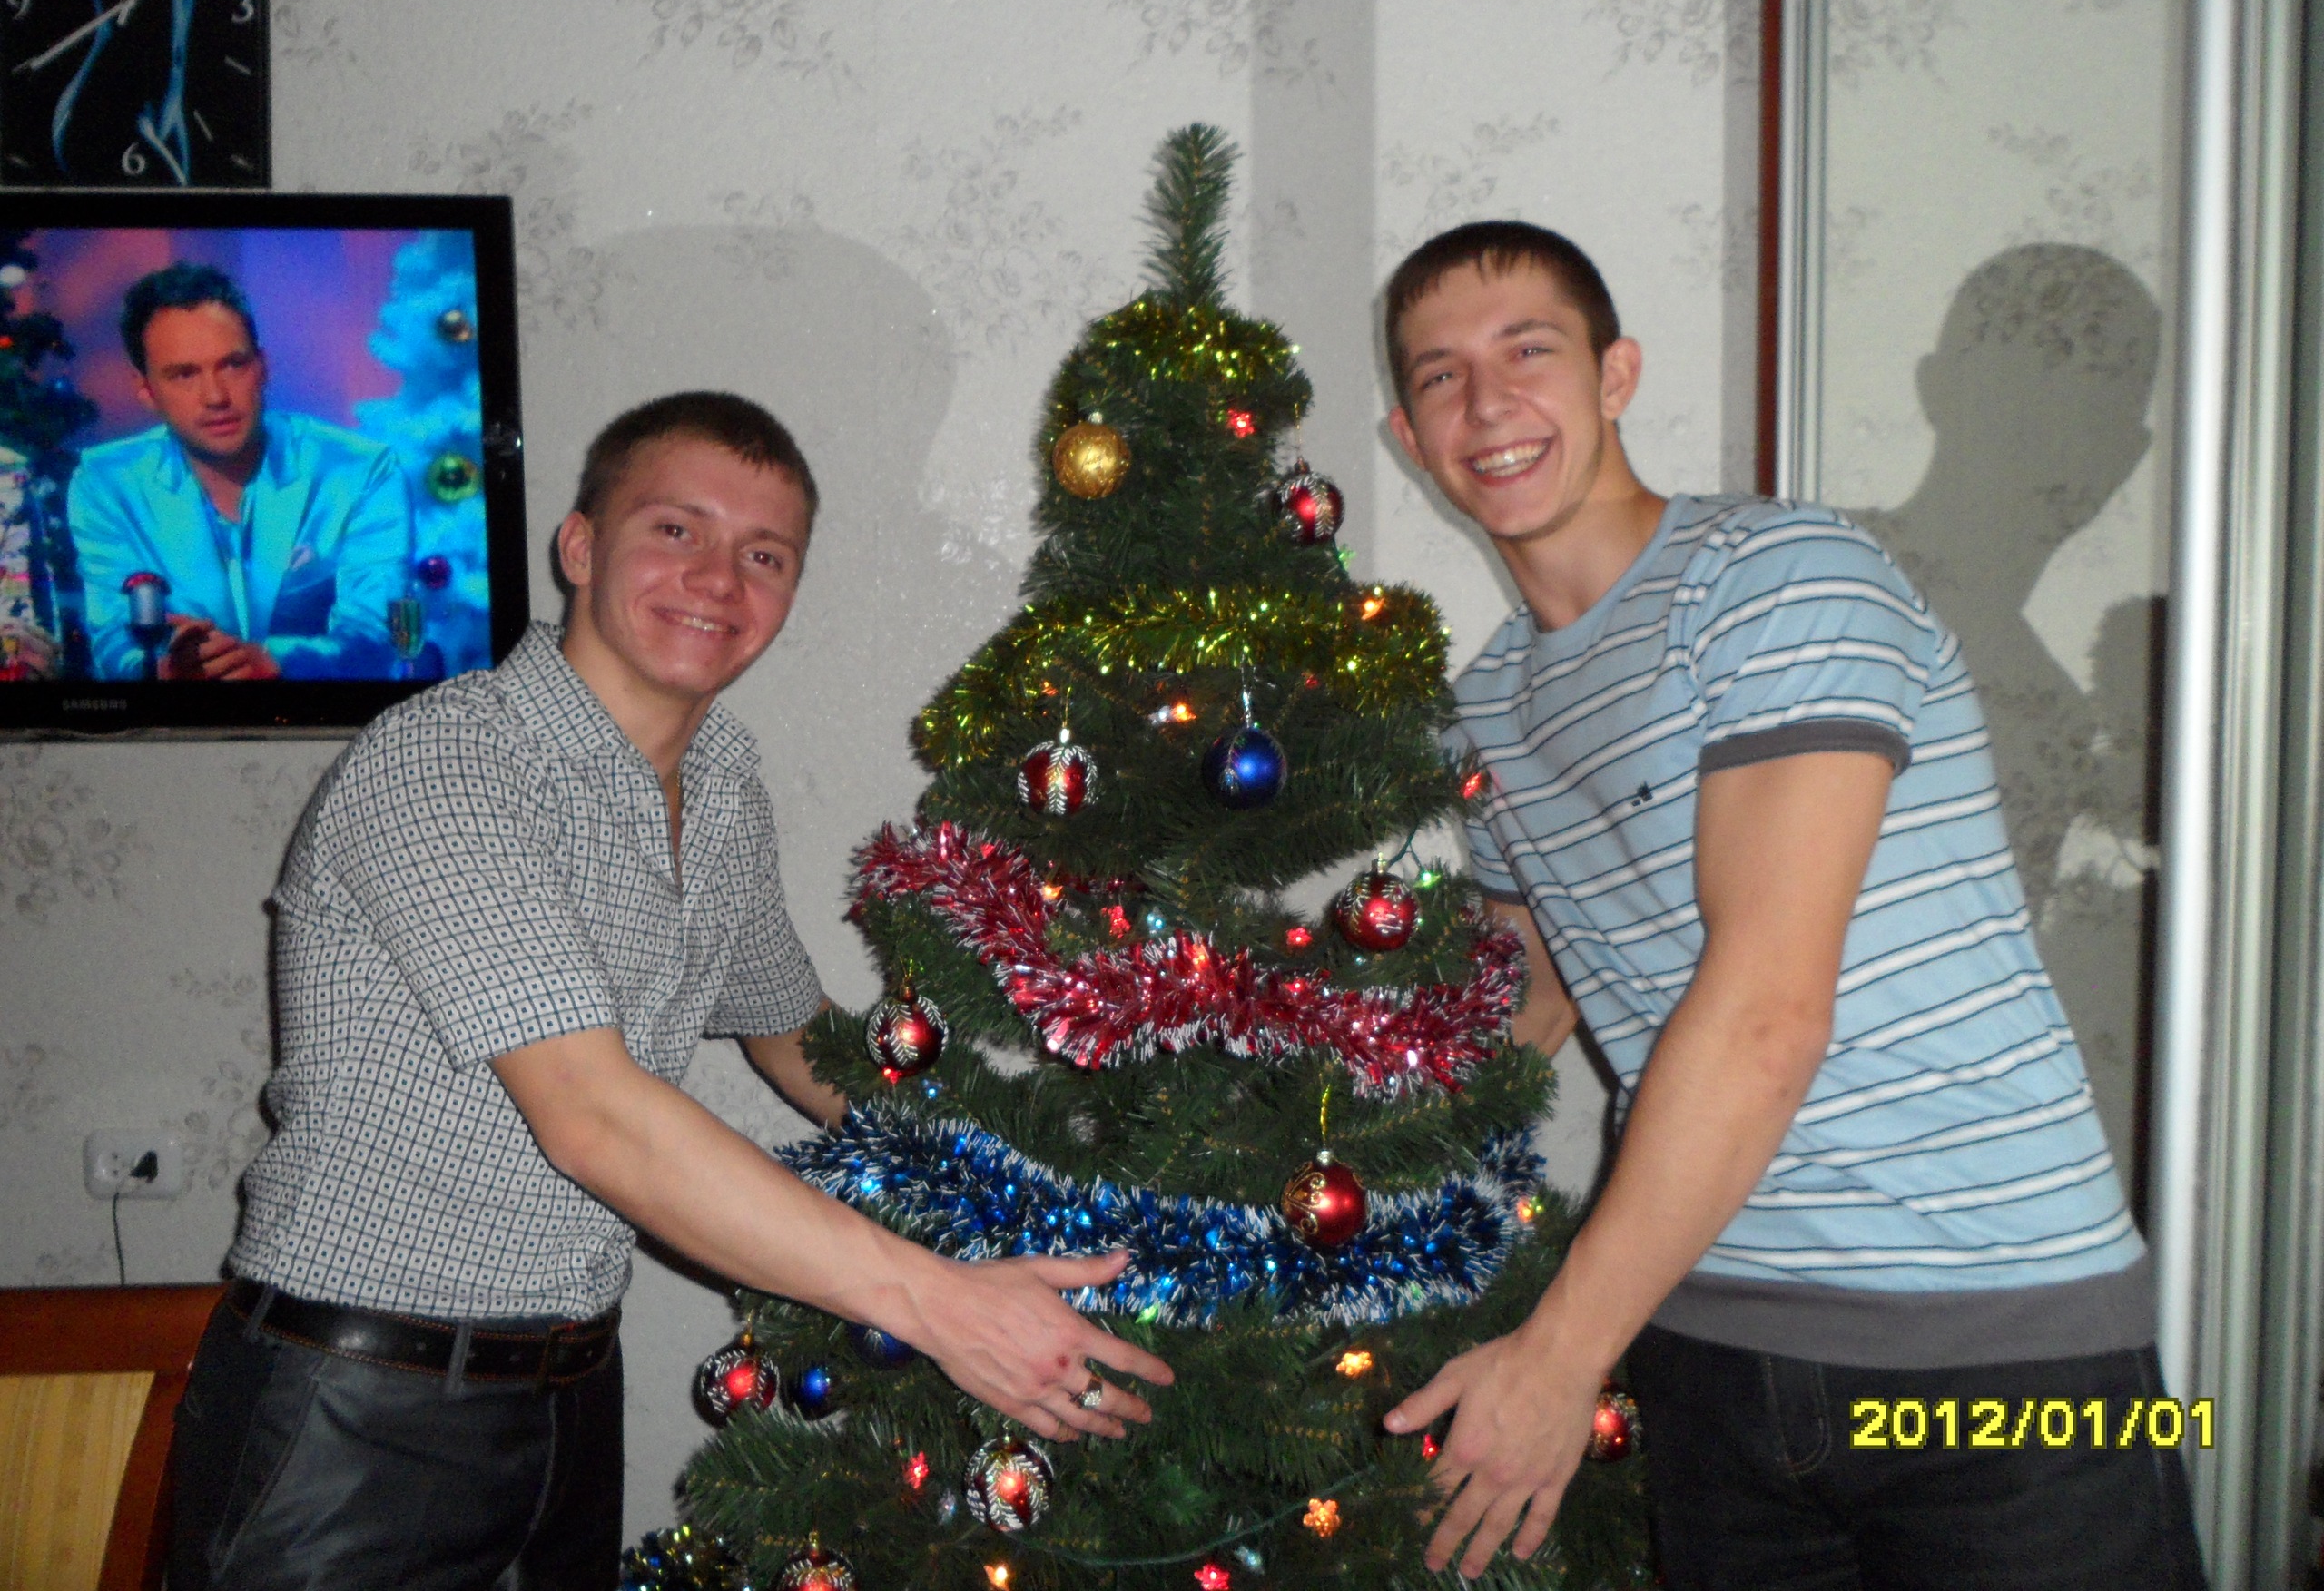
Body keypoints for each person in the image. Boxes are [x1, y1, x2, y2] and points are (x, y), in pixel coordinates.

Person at [167, 392, 1171, 1591]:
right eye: (676, 530)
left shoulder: (721, 784)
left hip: (568, 1398)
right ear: (579, 546)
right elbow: (595, 1117)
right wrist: (942, 1305)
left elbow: (797, 1037)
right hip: (353, 1414)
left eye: (764, 555)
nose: (717, 580)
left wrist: (1013, 1181)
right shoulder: (449, 758)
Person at [1373, 223, 2203, 1586]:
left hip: (1993, 1355)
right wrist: (1331, 1160)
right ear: (1411, 437)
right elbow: (1536, 988)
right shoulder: (1491, 702)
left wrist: (1558, 1358)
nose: (1488, 403)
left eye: (1529, 351)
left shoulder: (1778, 579)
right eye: (1441, 376)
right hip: (1710, 1348)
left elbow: (1766, 1013)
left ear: (1615, 375)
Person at [67, 261, 413, 680]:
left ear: (262, 367)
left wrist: (273, 662)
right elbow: (114, 643)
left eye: (232, 365)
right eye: (184, 374)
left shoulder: (362, 471)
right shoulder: (106, 482)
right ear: (146, 389)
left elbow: (378, 637)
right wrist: (165, 672)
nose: (215, 397)